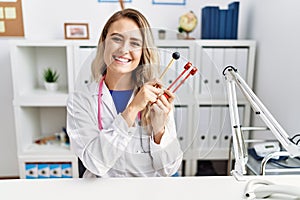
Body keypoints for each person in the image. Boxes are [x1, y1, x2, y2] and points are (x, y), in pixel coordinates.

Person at [67, 8, 183, 178]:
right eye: (116, 39)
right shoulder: (80, 100)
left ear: (143, 51)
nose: (123, 49)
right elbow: (95, 164)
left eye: (135, 43)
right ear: (104, 42)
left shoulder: (156, 98)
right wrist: (132, 110)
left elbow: (169, 169)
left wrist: (159, 129)